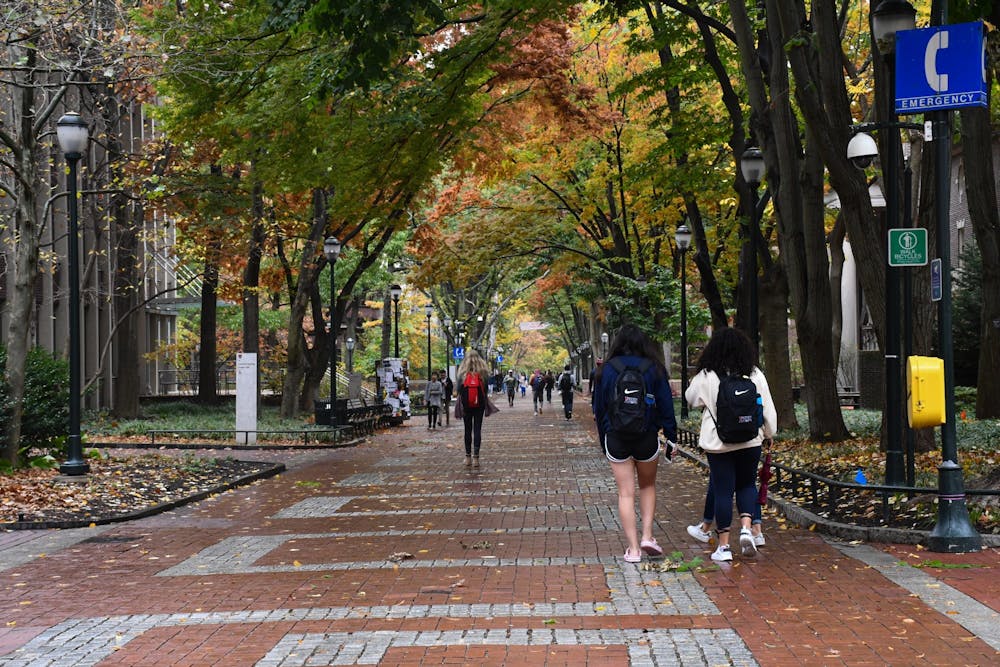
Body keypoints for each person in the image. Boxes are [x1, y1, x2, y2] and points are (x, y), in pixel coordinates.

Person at [685, 327, 776, 562]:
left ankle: (724, 547)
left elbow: (690, 398)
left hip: (719, 443)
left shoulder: (707, 375)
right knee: (746, 485)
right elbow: (767, 408)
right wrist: (769, 433)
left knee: (724, 491)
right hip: (750, 440)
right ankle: (747, 528)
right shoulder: (754, 373)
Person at [592, 324, 677, 564]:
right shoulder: (654, 369)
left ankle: (633, 549)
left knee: (625, 493)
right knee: (647, 486)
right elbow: (666, 405)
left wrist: (603, 438)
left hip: (616, 437)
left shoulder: (606, 370)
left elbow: (599, 409)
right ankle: (648, 536)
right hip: (646, 436)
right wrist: (671, 436)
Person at [456, 349, 497, 468]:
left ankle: (467, 457)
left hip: (466, 405)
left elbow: (458, 389)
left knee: (467, 429)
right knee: (477, 429)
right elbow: (486, 387)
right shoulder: (483, 371)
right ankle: (476, 459)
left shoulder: (462, 372)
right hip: (479, 404)